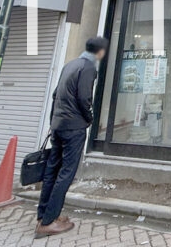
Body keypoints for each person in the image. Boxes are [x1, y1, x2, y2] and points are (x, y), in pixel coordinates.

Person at [35, 37, 108, 238]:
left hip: (58, 126)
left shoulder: (70, 65)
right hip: (73, 127)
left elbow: (55, 95)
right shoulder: (88, 67)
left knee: (52, 170)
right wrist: (89, 118)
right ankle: (48, 222)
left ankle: (44, 216)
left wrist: (53, 122)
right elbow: (84, 97)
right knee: (66, 173)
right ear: (100, 52)